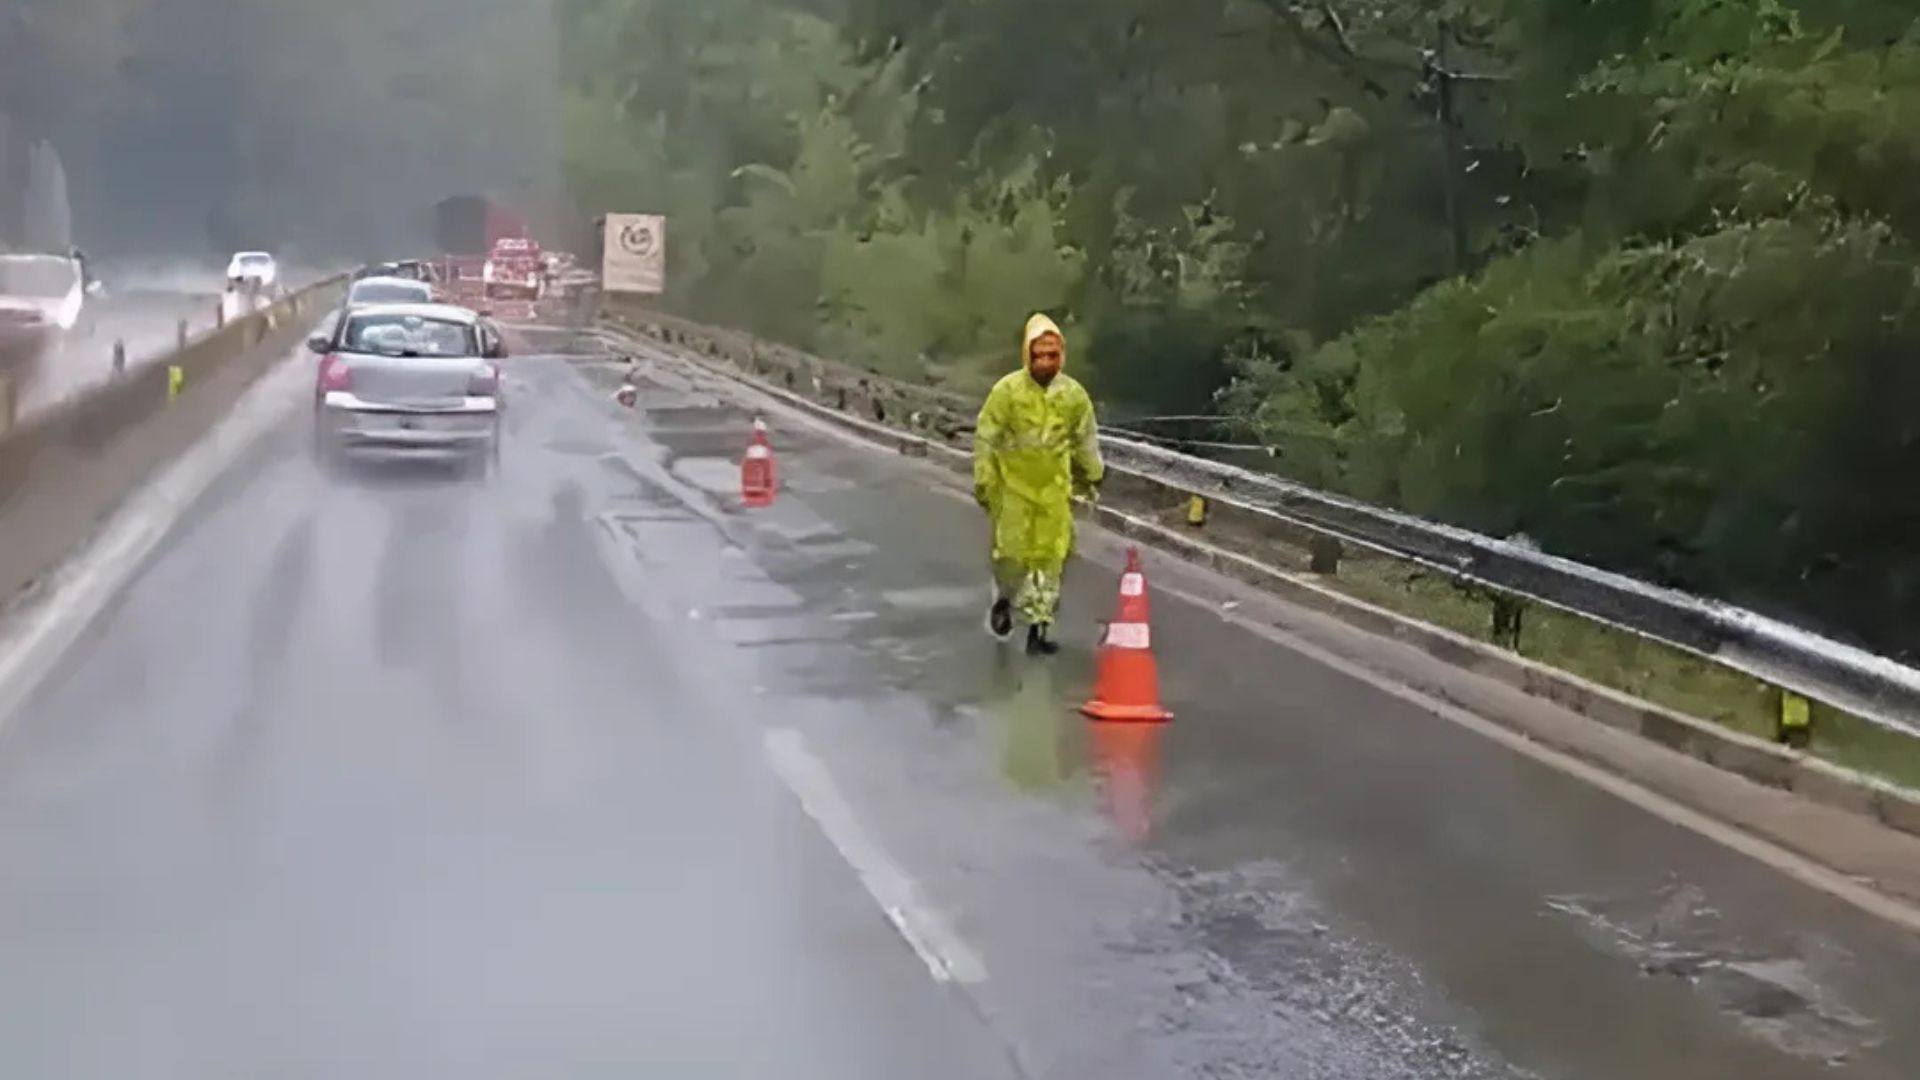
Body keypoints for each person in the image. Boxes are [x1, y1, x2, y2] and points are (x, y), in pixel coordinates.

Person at [973, 313, 1105, 655]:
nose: (1045, 362)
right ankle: (1004, 600)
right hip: (1013, 490)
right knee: (1013, 558)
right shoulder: (1007, 392)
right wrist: (985, 480)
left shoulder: (1073, 396)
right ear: (1026, 355)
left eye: (1052, 355)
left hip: (1053, 492)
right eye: (1039, 355)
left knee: (1049, 560)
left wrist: (1092, 473)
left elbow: (1084, 438)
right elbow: (986, 438)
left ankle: (1039, 627)